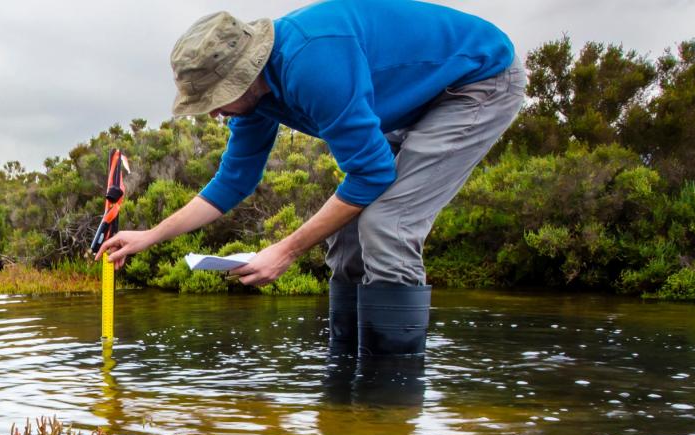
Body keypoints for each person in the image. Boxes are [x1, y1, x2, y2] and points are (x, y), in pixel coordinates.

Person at [98, 0, 526, 358]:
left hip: (476, 82)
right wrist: (151, 235)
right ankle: (345, 378)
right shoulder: (255, 100)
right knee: (346, 235)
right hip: (415, 100)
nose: (214, 112)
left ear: (246, 74)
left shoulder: (314, 64)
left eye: (218, 97)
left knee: (386, 225)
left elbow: (372, 173)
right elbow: (234, 181)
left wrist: (284, 252)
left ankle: (389, 398)